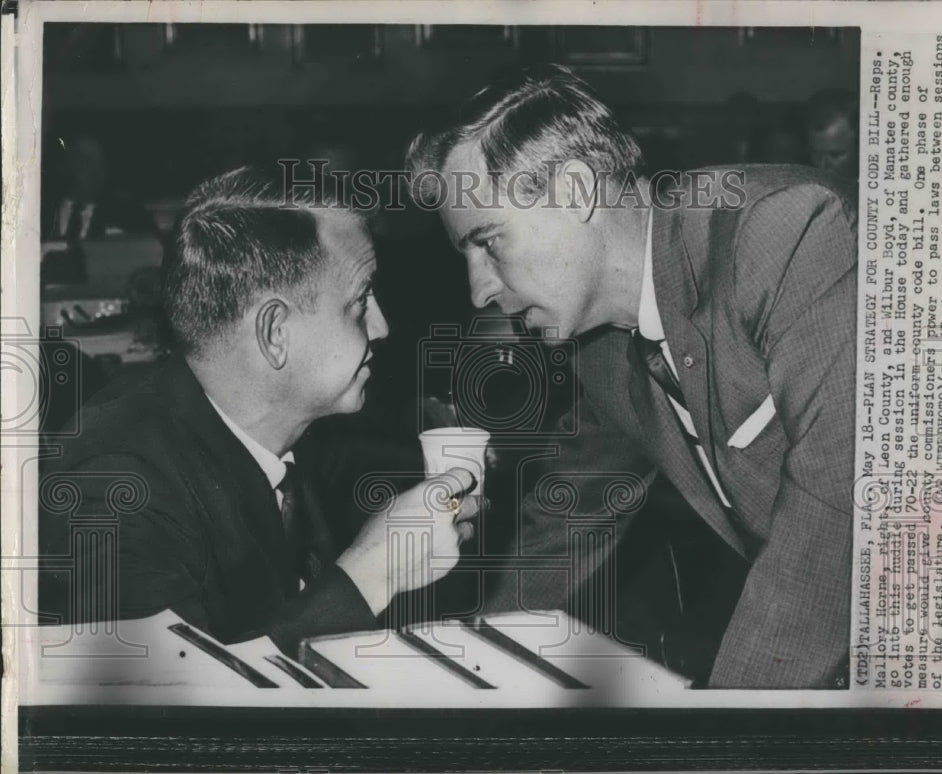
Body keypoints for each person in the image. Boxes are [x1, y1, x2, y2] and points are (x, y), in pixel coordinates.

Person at [406, 65, 857, 689]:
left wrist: (727, 735)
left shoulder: (786, 234)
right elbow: (567, 521)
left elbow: (841, 514)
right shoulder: (600, 345)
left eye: (487, 243)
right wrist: (476, 676)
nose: (479, 290)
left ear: (575, 190)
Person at [38, 166, 479, 654]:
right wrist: (374, 573)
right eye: (360, 302)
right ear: (274, 334)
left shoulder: (266, 423)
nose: (382, 326)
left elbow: (346, 461)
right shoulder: (115, 491)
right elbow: (174, 709)